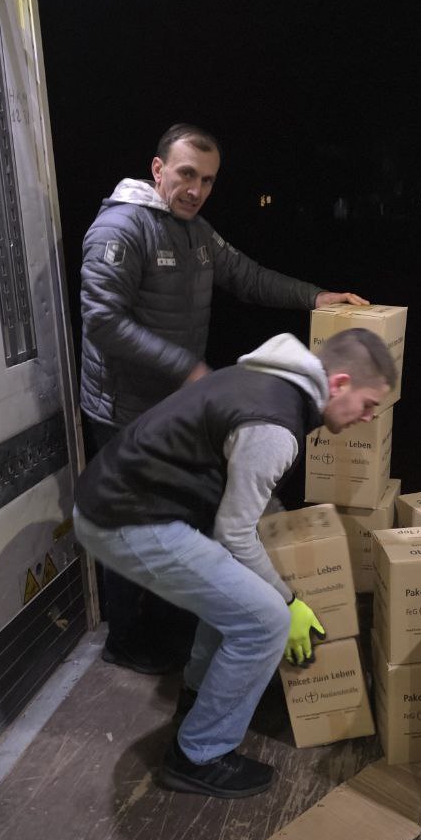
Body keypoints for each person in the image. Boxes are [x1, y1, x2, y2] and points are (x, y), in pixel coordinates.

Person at [79, 123, 368, 674]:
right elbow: (102, 320)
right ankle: (125, 637)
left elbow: (248, 277)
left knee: (175, 517)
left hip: (170, 405)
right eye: (186, 174)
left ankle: (167, 625)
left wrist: (316, 297)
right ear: (158, 169)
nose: (196, 190)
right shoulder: (121, 229)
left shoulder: (197, 233)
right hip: (123, 407)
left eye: (208, 180)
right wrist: (185, 367)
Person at [73, 328, 396, 798]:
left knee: (237, 596)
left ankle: (197, 700)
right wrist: (288, 601)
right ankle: (197, 756)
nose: (368, 418)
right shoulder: (275, 425)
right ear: (340, 383)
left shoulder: (267, 382)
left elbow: (245, 501)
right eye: (368, 405)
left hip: (128, 503)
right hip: (125, 520)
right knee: (265, 621)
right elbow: (234, 534)